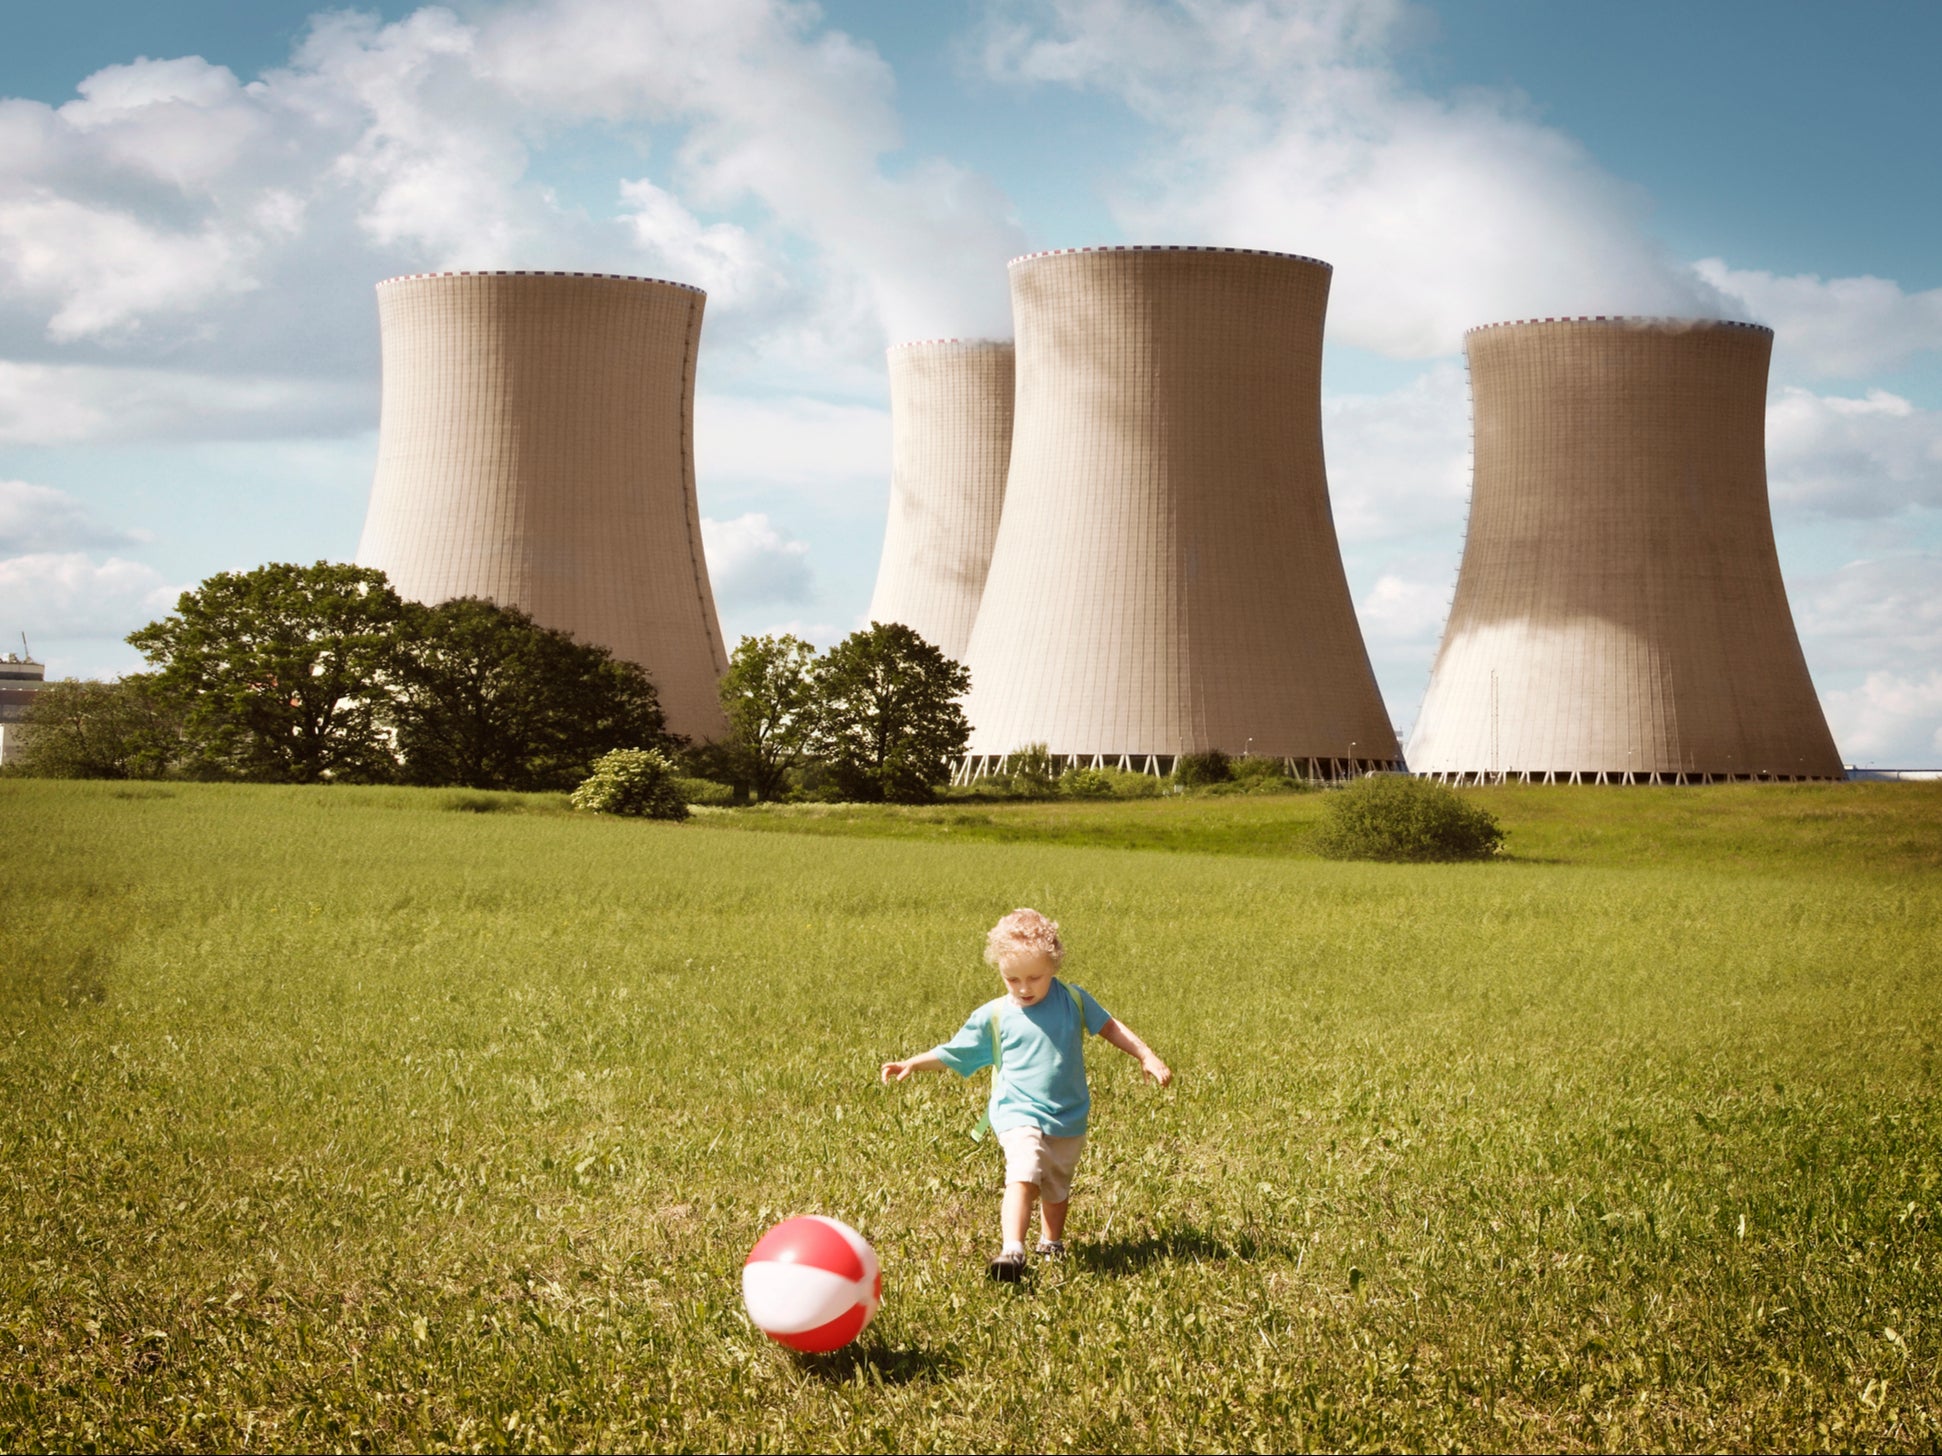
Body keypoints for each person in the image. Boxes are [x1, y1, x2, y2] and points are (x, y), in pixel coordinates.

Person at [880, 907, 1172, 1280]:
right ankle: (1012, 1250)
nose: (1023, 987)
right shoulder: (995, 1014)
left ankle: (1051, 1243)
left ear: (1054, 966)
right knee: (1024, 1169)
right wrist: (913, 1063)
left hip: (1069, 1114)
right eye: (1011, 978)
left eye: (1034, 977)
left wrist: (1146, 1054)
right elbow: (954, 1052)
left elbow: (1109, 1026)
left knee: (1056, 1184)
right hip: (1016, 1111)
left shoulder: (1073, 999)